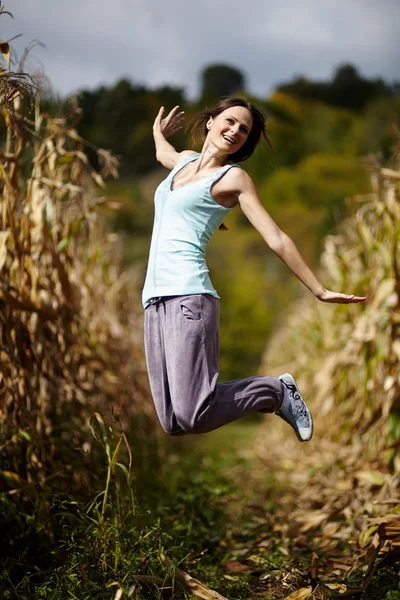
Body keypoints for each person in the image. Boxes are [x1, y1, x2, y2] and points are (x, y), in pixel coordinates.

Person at [142, 97, 366, 441]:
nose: (235, 131)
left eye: (244, 130)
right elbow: (163, 155)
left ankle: (276, 391)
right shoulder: (184, 163)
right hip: (154, 301)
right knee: (173, 420)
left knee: (193, 414)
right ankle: (272, 392)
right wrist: (157, 133)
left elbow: (276, 237)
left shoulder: (233, 179)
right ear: (210, 121)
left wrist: (318, 290)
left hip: (189, 297)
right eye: (230, 121)